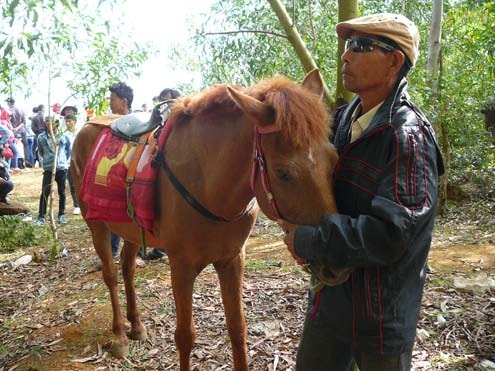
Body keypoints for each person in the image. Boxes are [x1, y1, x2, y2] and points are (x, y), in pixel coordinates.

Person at [278, 13, 444, 371]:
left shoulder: (407, 137)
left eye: (360, 46)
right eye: (347, 44)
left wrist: (309, 240)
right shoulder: (340, 121)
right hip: (329, 304)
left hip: (379, 320)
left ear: (395, 61)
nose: (345, 55)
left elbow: (389, 235)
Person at [107, 82, 146, 267]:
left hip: (134, 177)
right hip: (117, 177)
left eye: (112, 99)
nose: (110, 103)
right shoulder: (110, 126)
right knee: (115, 212)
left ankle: (137, 252)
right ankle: (113, 252)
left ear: (123, 101)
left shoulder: (139, 123)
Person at [35, 116, 71, 225]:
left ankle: (61, 214)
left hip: (61, 168)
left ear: (56, 123)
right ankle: (41, 216)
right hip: (49, 168)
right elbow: (41, 152)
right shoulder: (41, 138)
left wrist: (62, 161)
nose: (48, 123)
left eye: (50, 121)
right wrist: (47, 161)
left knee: (62, 191)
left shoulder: (63, 136)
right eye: (46, 121)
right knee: (45, 192)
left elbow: (68, 150)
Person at [64, 114, 80, 215]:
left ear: (74, 121)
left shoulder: (80, 133)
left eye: (70, 121)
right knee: (73, 184)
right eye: (66, 121)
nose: (68, 123)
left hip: (80, 162)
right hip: (69, 162)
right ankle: (77, 205)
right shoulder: (64, 135)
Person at [5, 98, 28, 162]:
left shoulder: (9, 111)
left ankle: (18, 162)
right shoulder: (21, 109)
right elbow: (24, 122)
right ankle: (27, 161)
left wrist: (15, 128)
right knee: (25, 146)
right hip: (22, 130)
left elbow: (8, 122)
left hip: (14, 131)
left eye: (7, 102)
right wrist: (18, 127)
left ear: (9, 102)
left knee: (15, 146)